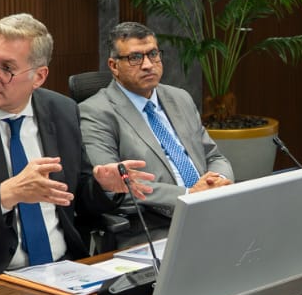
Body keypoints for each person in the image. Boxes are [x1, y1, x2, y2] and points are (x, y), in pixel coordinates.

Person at [0, 13, 154, 291]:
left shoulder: (62, 111)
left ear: (39, 76)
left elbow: (76, 199)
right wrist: (8, 193)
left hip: (67, 271)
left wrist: (103, 186)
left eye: (7, 68)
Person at [79, 21, 232, 234]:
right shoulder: (95, 112)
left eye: (153, 54)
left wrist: (218, 183)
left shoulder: (180, 98)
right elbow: (116, 184)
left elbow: (214, 157)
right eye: (135, 57)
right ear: (114, 66)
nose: (148, 65)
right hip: (155, 225)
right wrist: (188, 196)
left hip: (212, 209)